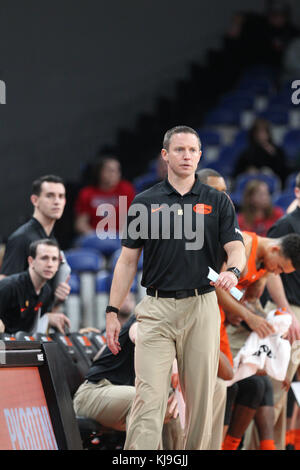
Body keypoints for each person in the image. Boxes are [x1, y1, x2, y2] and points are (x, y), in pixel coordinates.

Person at [105, 125, 246, 450]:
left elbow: (236, 247)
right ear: (165, 155)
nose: (186, 155)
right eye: (179, 149)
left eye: (192, 150)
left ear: (200, 155)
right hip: (155, 308)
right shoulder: (144, 202)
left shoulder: (217, 201)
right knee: (148, 397)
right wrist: (113, 311)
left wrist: (235, 271)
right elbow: (127, 262)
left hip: (202, 305)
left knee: (200, 401)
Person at [216, 230, 300, 450]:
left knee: (254, 382)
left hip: (225, 321)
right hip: (204, 312)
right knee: (225, 381)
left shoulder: (265, 265)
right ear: (274, 249)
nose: (277, 272)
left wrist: (274, 337)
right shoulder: (243, 246)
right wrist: (246, 315)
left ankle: (233, 445)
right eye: (280, 267)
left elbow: (249, 301)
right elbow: (216, 286)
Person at [73, 294, 184, 450]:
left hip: (126, 398)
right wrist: (173, 363)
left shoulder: (180, 328)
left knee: (174, 408)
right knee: (146, 399)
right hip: (94, 393)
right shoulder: (145, 318)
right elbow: (140, 335)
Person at [245, 171, 300, 450]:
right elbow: (272, 271)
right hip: (288, 312)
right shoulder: (286, 225)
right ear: (297, 193)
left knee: (291, 392)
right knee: (277, 388)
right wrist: (285, 310)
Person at [0, 175, 71, 311]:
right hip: (17, 328)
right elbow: (4, 288)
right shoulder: (22, 238)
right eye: (50, 196)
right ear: (35, 200)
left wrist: (56, 300)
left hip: (37, 324)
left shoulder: (52, 240)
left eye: (61, 196)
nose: (57, 201)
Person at [0, 239, 71, 335]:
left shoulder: (46, 291)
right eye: (44, 258)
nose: (50, 264)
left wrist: (51, 313)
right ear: (31, 261)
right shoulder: (9, 286)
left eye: (54, 259)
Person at [74, 156, 136, 236]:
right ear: (99, 172)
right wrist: (96, 236)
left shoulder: (126, 189)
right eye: (110, 171)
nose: (115, 174)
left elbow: (132, 220)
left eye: (117, 171)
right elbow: (80, 224)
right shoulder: (87, 193)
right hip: (94, 237)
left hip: (120, 237)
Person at [233, 118, 289, 185]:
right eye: (258, 132)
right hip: (251, 185)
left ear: (268, 133)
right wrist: (247, 171)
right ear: (254, 134)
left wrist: (274, 155)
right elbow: (237, 173)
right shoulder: (247, 153)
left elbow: (283, 172)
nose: (261, 135)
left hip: (272, 185)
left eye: (263, 132)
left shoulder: (277, 151)